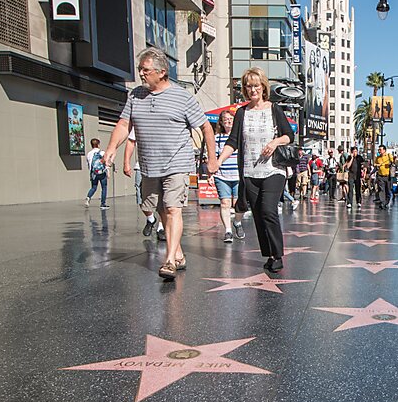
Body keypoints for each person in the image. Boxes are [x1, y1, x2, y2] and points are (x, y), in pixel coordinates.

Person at [105, 47, 214, 280]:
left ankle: (169, 261)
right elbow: (125, 124)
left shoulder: (183, 97)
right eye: (140, 70)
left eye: (145, 70)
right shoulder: (135, 96)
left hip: (177, 161)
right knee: (161, 209)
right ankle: (180, 254)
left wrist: (212, 159)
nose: (141, 74)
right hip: (149, 164)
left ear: (162, 72)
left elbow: (205, 126)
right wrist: (112, 148)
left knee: (173, 209)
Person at [210, 67, 294, 272]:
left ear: (263, 87)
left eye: (256, 85)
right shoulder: (241, 113)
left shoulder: (273, 109)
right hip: (249, 171)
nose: (252, 89)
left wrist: (275, 142)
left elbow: (289, 135)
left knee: (268, 210)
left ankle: (278, 255)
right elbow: (233, 141)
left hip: (273, 169)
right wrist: (218, 160)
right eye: (248, 86)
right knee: (257, 214)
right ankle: (269, 255)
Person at [210, 109, 245, 243]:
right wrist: (211, 174)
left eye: (231, 119)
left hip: (237, 175)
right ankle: (228, 231)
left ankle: (237, 222)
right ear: (222, 123)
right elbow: (213, 157)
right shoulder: (217, 138)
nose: (228, 122)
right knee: (225, 203)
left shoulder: (240, 137)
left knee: (238, 203)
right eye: (226, 120)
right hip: (222, 175)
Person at [84, 138, 109, 209]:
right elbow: (105, 161)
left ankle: (88, 197)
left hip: (93, 173)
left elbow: (89, 164)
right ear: (98, 144)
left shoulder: (89, 154)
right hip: (101, 172)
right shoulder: (101, 152)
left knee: (94, 187)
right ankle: (103, 204)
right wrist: (107, 170)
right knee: (104, 187)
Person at [374, 144, 394, 209]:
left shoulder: (388, 156)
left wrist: (390, 163)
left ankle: (386, 202)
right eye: (378, 149)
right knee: (381, 190)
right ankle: (383, 202)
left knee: (387, 190)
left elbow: (393, 162)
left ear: (384, 150)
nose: (379, 151)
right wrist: (377, 165)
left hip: (388, 176)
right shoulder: (378, 158)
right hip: (380, 176)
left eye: (380, 149)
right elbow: (375, 164)